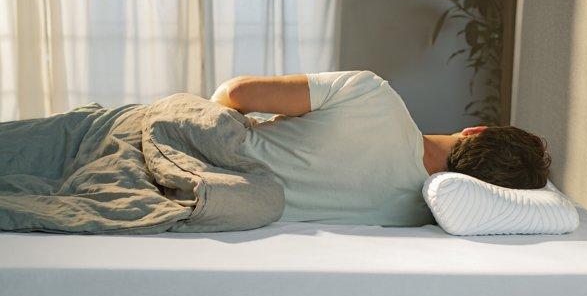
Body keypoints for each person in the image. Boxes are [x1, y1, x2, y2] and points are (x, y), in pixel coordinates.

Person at [211, 70, 551, 227]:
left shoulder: (371, 94)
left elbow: (237, 93)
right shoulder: (413, 218)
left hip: (190, 145)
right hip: (211, 195)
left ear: (476, 130)